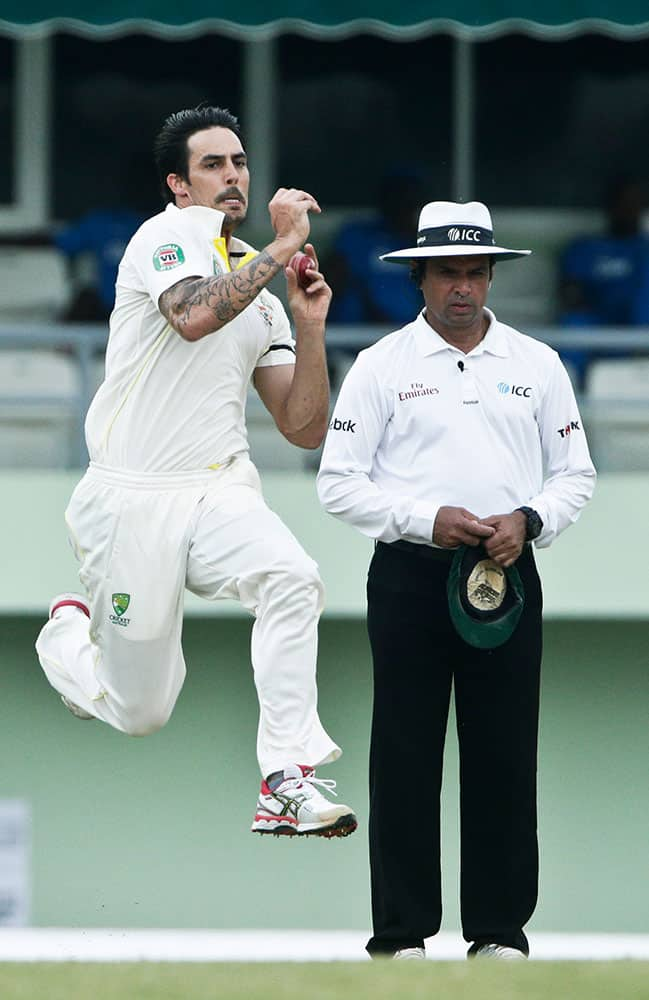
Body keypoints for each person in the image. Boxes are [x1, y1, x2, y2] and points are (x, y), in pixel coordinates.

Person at [35, 105, 357, 840]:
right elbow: (189, 316)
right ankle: (65, 634)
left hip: (217, 486)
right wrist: (280, 248)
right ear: (179, 186)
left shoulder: (262, 296)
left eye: (239, 162)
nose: (232, 176)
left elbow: (303, 428)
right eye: (212, 165)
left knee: (291, 577)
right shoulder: (165, 236)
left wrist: (308, 329)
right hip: (128, 499)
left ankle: (286, 777)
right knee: (141, 712)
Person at [317, 200, 596, 958]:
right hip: (410, 574)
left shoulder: (536, 365)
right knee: (404, 754)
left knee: (504, 752)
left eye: (475, 272)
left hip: (506, 573)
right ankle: (401, 936)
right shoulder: (381, 366)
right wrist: (421, 518)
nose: (462, 288)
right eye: (447, 273)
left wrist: (529, 521)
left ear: (490, 275)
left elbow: (575, 476)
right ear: (421, 277)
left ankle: (498, 934)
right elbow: (337, 484)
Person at [558, 175, 649, 385]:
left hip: (635, 328)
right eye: (623, 203)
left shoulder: (644, 250)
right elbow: (570, 294)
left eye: (634, 204)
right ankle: (570, 394)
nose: (628, 210)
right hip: (595, 323)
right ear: (610, 207)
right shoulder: (584, 248)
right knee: (575, 324)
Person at [324, 168, 426, 327]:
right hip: (353, 338)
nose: (404, 205)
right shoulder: (356, 235)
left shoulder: (421, 242)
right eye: (398, 196)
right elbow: (329, 282)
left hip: (410, 338)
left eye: (411, 200)